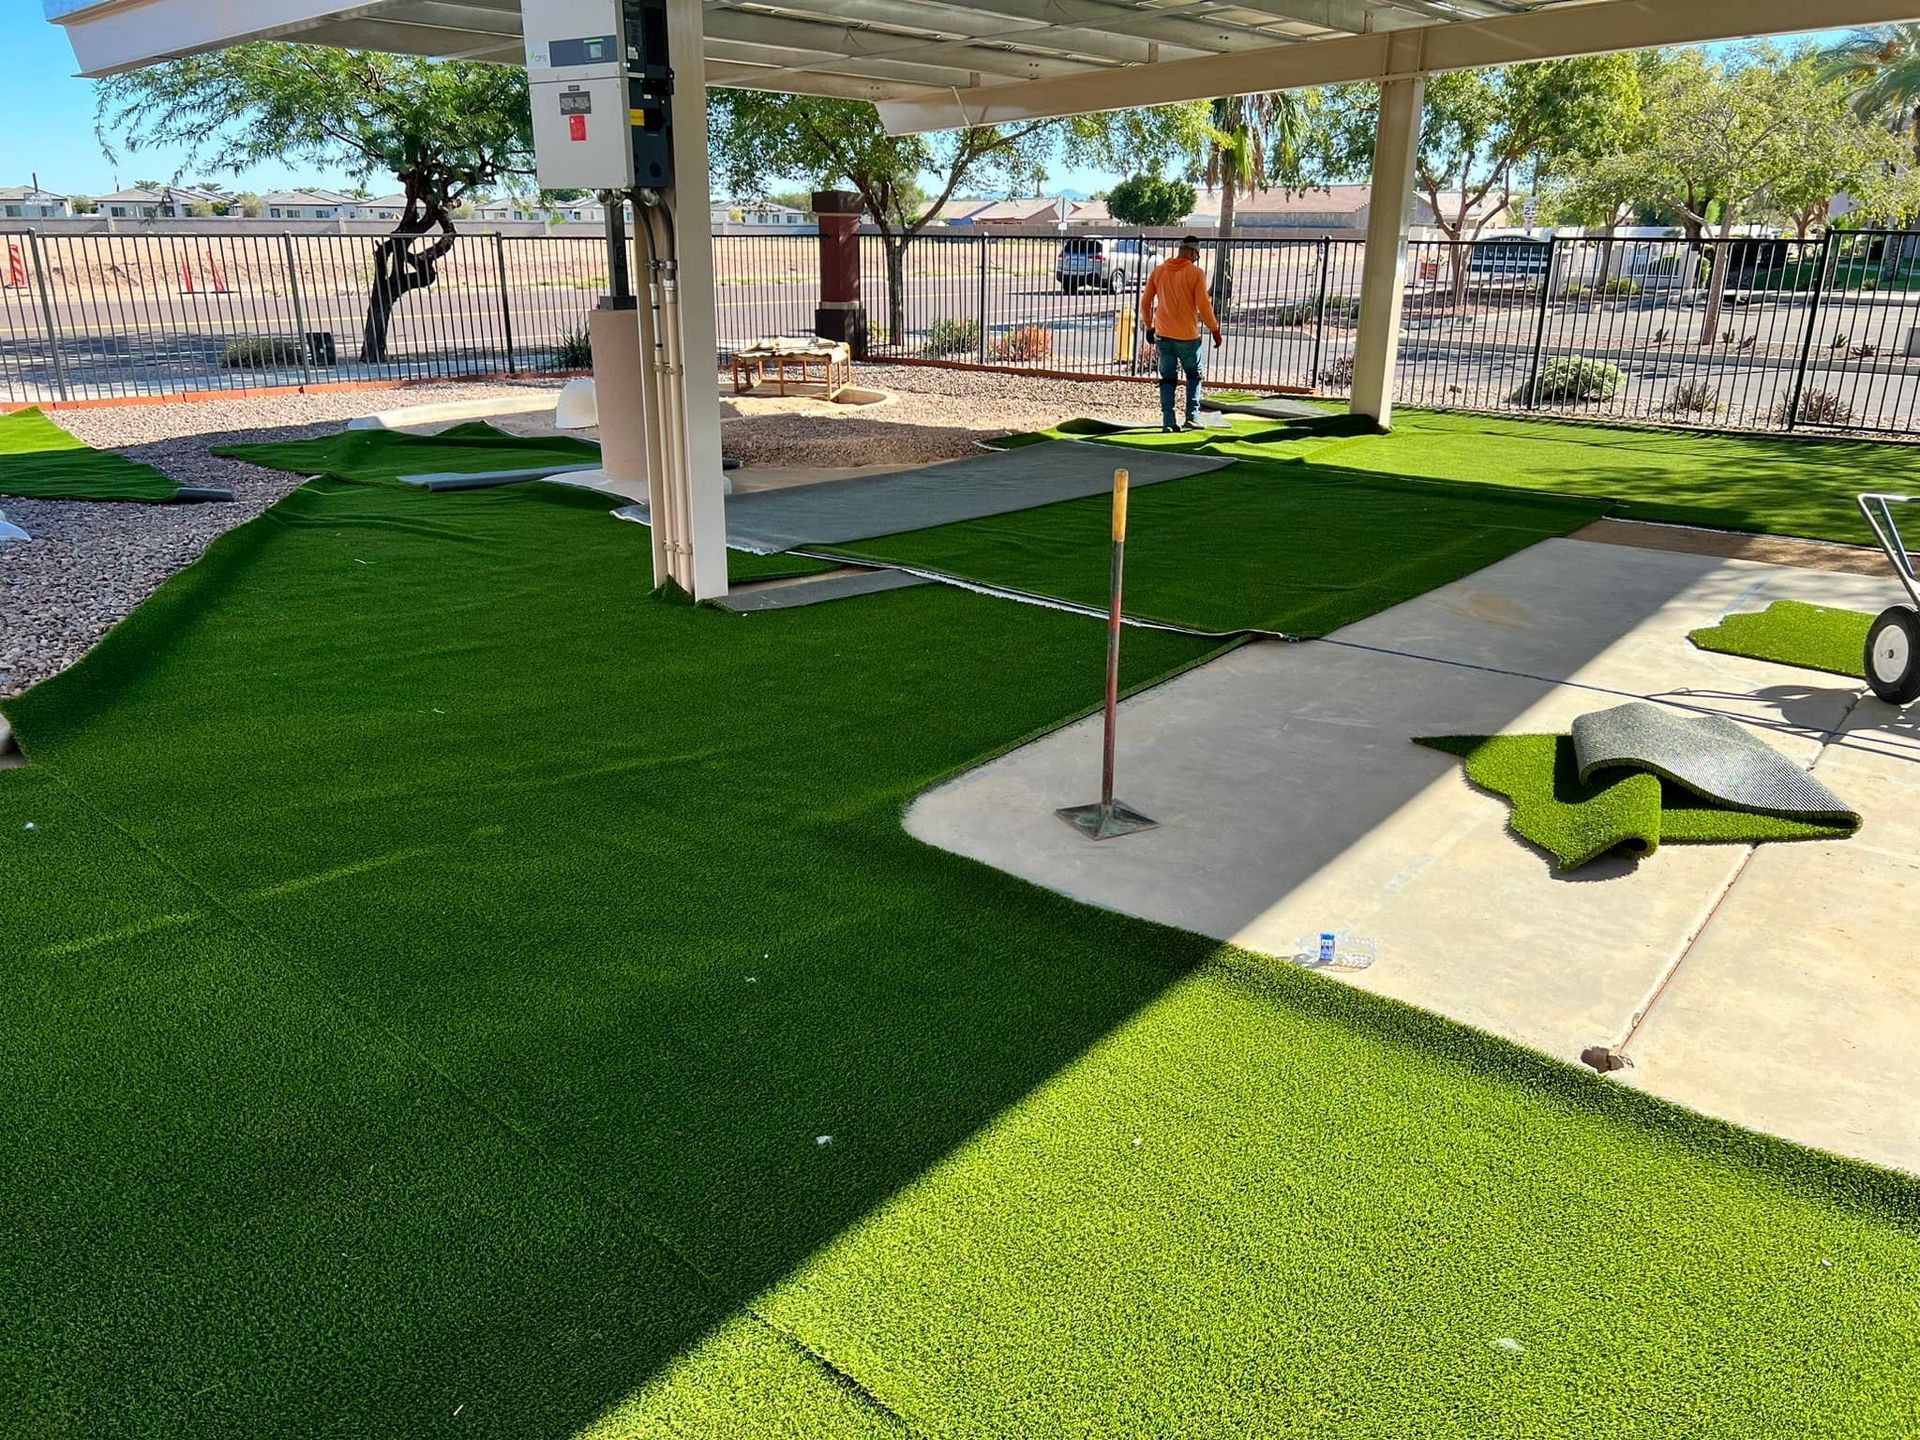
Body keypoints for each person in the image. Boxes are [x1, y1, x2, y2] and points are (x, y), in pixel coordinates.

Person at [1139, 236, 1224, 432]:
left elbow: (1146, 302)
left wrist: (1149, 326)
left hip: (1163, 334)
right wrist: (1214, 329)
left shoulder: (1159, 271)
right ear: (1193, 253)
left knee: (1167, 378)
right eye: (1196, 255)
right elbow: (1204, 305)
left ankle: (1168, 421)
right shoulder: (1196, 273)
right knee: (1194, 376)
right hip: (1188, 337)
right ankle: (1191, 417)